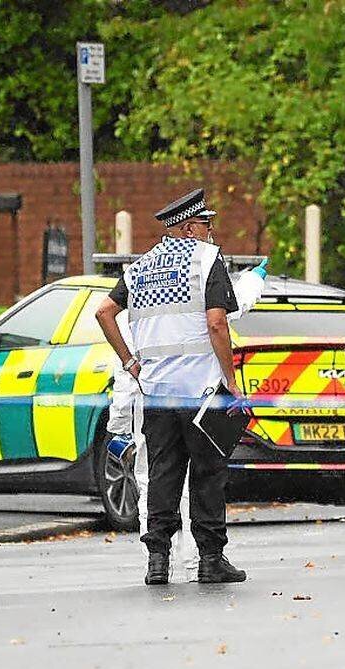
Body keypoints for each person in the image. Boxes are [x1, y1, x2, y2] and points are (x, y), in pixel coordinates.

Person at [94, 188, 247, 586]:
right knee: (208, 473)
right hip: (200, 389)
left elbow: (104, 312)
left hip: (157, 392)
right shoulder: (206, 260)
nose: (211, 232)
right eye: (205, 224)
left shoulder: (140, 267)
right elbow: (216, 323)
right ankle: (211, 559)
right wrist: (231, 381)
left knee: (164, 473)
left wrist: (130, 363)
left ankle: (157, 561)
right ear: (187, 227)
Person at [107, 259, 269, 582]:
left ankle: (155, 563)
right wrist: (254, 280)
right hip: (197, 395)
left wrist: (119, 424)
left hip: (152, 399)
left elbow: (122, 371)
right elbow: (225, 313)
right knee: (202, 477)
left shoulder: (138, 304)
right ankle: (200, 562)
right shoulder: (191, 281)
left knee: (155, 482)